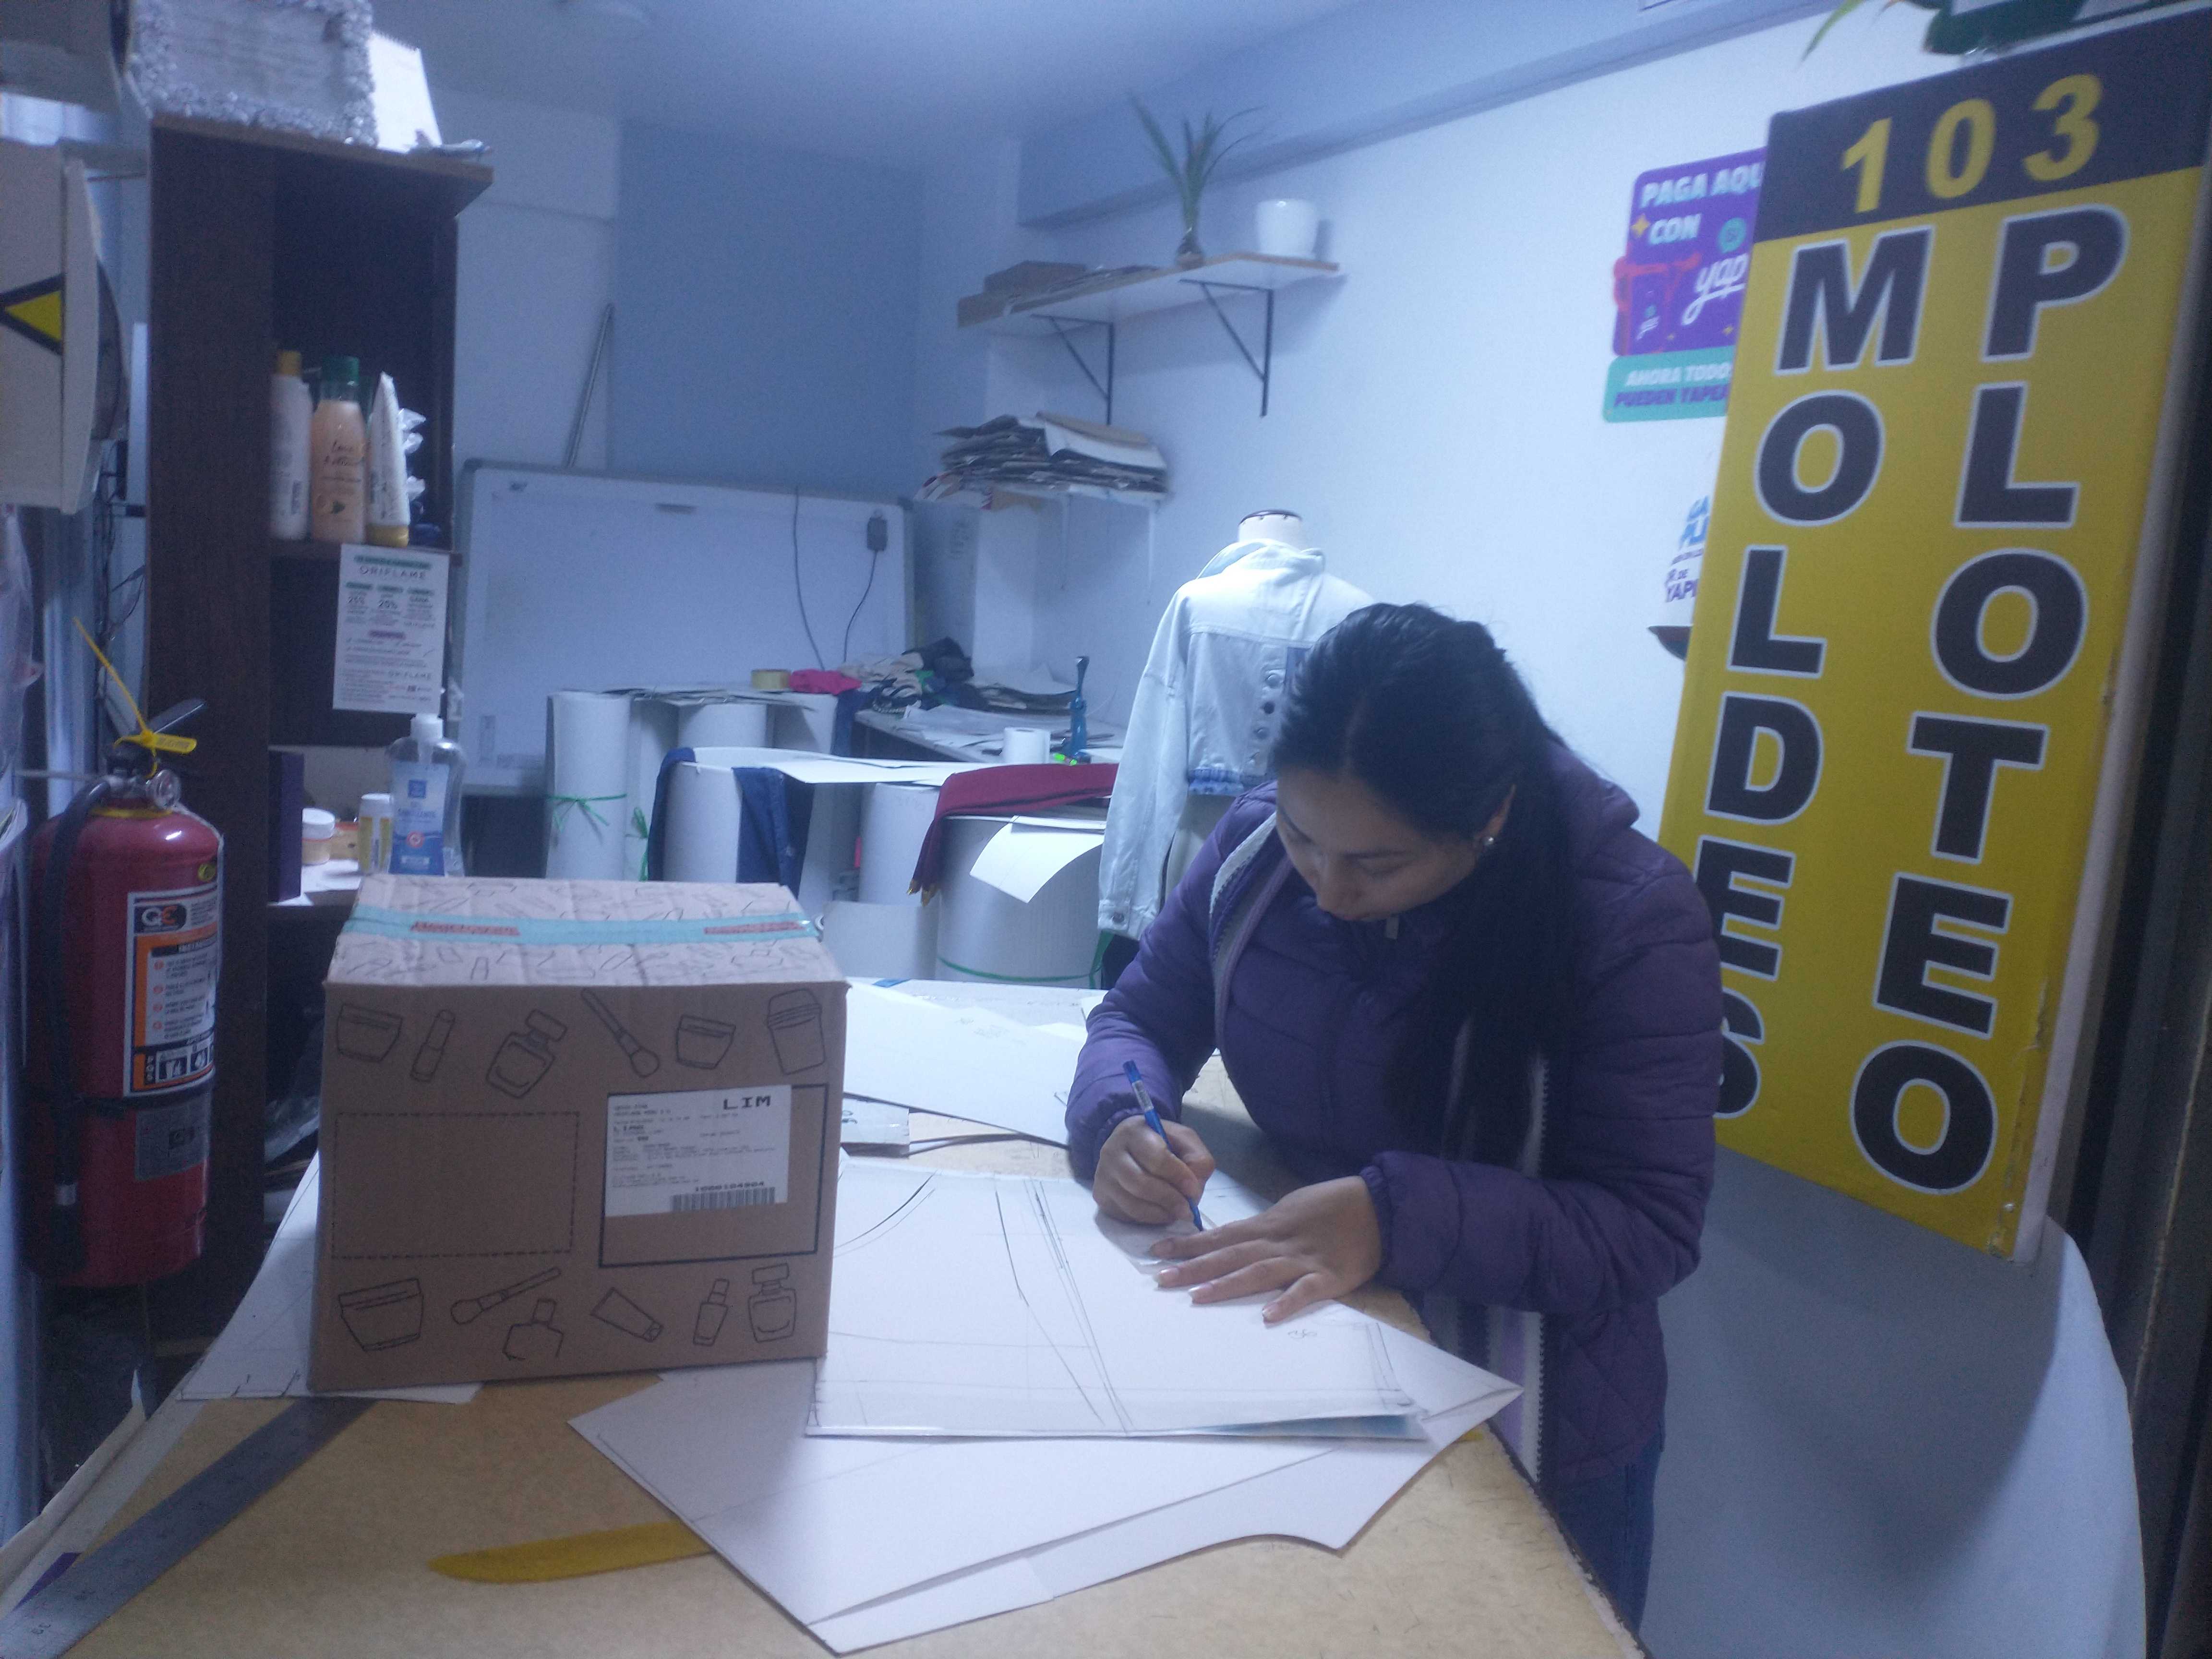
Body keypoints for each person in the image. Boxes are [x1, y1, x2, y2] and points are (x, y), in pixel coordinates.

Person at [1065, 603, 1720, 1629]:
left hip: (1535, 1428)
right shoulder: (1255, 854)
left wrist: (1393, 1218)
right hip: (1297, 1376)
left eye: (1377, 865)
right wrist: (1122, 1113)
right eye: (1303, 835)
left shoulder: (1629, 921)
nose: (1327, 889)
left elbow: (1648, 1225)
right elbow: (1139, 1015)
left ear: (1490, 817)